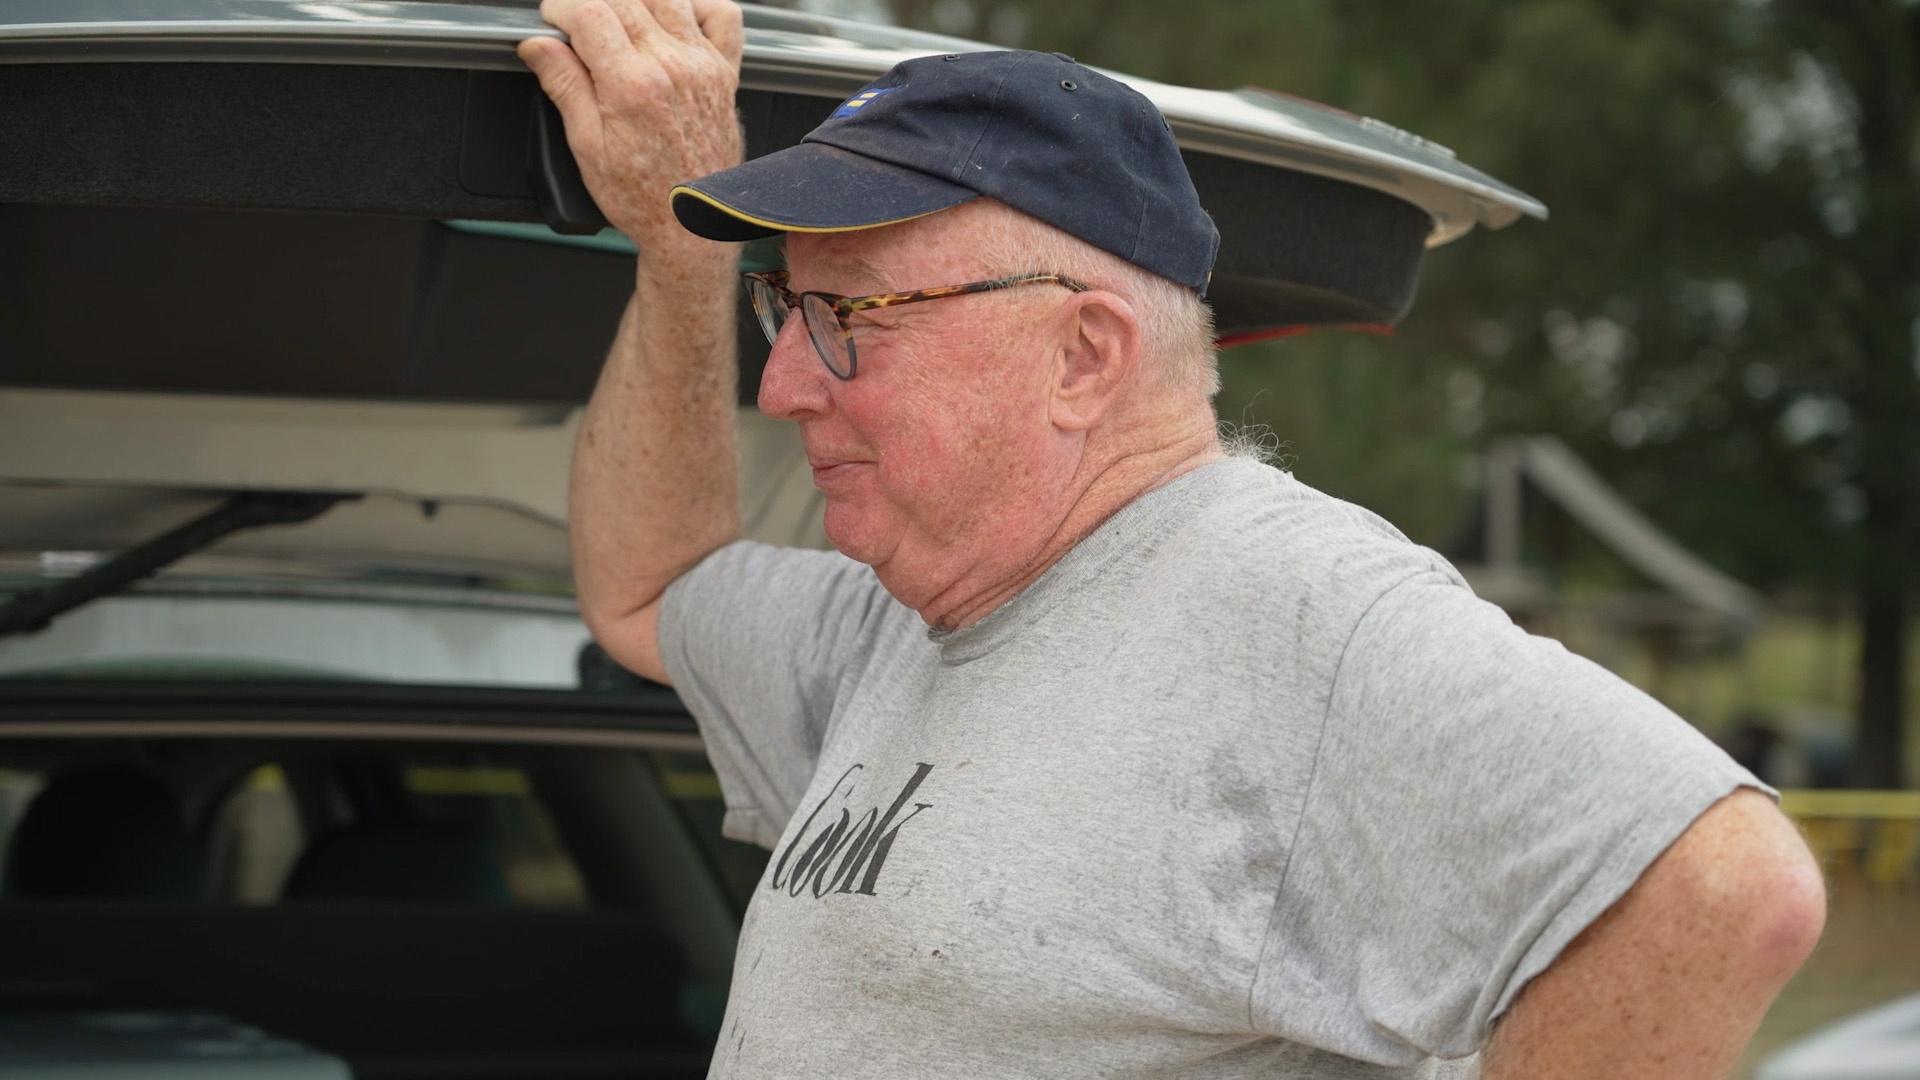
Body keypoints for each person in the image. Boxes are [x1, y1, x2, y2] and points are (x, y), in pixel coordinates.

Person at [518, 2, 1826, 1076]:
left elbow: (1720, 890)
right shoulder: (902, 618)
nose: (787, 386)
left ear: (1084, 356)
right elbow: (650, 589)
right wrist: (676, 253)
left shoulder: (1284, 605)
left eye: (850, 315)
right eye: (784, 313)